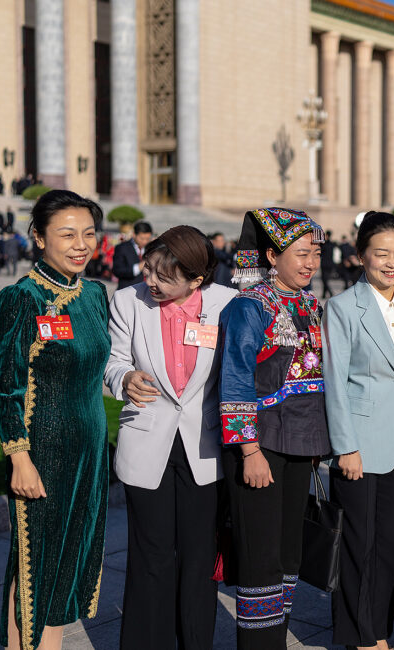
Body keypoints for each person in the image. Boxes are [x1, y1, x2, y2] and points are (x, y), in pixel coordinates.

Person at [105, 225, 237, 649]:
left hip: (205, 446)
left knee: (199, 558)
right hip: (147, 441)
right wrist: (123, 378)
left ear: (197, 279)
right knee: (152, 556)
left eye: (165, 277)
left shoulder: (227, 303)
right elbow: (113, 361)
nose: (151, 282)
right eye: (149, 270)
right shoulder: (128, 300)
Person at [0, 189, 112, 649]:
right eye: (67, 234)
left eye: (88, 233)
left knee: (70, 563)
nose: (81, 243)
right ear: (39, 238)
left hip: (90, 447)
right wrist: (18, 458)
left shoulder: (94, 294)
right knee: (35, 563)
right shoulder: (21, 298)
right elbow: (6, 386)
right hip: (42, 449)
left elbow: (102, 364)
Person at [219, 208, 331, 647]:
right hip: (262, 448)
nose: (310, 263)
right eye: (300, 253)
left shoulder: (307, 302)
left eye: (315, 253)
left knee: (288, 556)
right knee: (261, 559)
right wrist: (249, 452)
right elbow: (235, 378)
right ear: (271, 254)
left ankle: (275, 639)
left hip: (300, 445)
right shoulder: (250, 306)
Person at [323, 211, 394, 650]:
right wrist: (345, 447)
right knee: (358, 544)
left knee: (391, 546)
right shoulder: (343, 307)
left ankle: (380, 629)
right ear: (360, 256)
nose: (392, 262)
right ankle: (361, 635)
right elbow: (333, 381)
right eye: (381, 254)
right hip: (361, 445)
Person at [112, 221, 154, 289]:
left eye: (147, 239)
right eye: (142, 238)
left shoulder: (151, 248)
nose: (145, 241)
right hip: (127, 289)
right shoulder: (122, 247)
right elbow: (117, 270)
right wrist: (138, 267)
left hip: (147, 291)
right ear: (134, 234)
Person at [319, 229, 338, 298]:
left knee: (324, 280)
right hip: (331, 264)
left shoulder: (324, 244)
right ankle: (324, 295)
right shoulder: (332, 244)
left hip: (324, 264)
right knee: (325, 279)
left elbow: (320, 252)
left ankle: (330, 292)